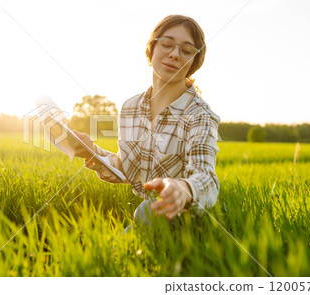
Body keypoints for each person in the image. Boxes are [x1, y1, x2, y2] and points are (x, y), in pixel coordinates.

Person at [73, 15, 220, 230]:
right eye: (167, 44)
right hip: (149, 213)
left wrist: (181, 189)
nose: (174, 54)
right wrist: (91, 152)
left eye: (186, 51)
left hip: (185, 216)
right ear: (151, 50)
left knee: (144, 213)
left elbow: (206, 178)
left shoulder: (200, 115)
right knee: (143, 213)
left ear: (193, 63)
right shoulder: (130, 107)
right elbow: (127, 167)